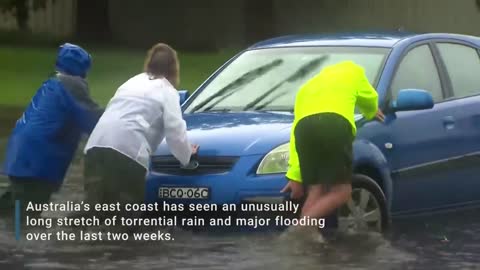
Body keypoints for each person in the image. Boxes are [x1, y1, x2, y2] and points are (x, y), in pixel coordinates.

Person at [83, 43, 198, 218]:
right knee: (127, 219)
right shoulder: (167, 91)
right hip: (128, 154)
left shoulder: (131, 82)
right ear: (173, 68)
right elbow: (175, 132)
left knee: (94, 212)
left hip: (95, 147)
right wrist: (187, 156)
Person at [281, 60, 385, 242]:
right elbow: (370, 98)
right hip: (334, 125)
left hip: (304, 130)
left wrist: (295, 175)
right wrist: (370, 112)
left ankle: (305, 246)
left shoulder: (306, 88)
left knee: (315, 191)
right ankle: (300, 228)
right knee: (342, 191)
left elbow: (295, 132)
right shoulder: (354, 70)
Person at [0, 43, 102, 217]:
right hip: (38, 163)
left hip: (20, 156)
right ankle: (17, 244)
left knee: (11, 209)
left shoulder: (52, 83)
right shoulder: (73, 85)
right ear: (83, 68)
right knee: (23, 221)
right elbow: (92, 119)